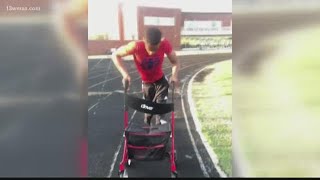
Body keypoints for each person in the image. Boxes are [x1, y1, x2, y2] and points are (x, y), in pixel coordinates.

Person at [112, 27, 180, 125]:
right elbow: (115, 55)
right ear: (144, 40)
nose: (152, 53)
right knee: (148, 110)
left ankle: (160, 125)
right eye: (150, 49)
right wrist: (125, 74)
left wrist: (174, 76)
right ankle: (148, 126)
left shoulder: (165, 44)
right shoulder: (135, 46)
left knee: (160, 106)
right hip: (147, 83)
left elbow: (175, 62)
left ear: (160, 43)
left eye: (155, 49)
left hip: (160, 81)